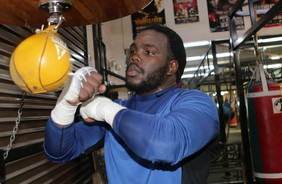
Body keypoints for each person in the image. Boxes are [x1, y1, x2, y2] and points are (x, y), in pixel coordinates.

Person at [44, 25, 220, 184]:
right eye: (133, 51)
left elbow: (165, 145)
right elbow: (60, 151)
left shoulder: (196, 103)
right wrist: (66, 106)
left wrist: (103, 108)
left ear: (171, 67)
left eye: (148, 52)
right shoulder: (117, 112)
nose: (134, 57)